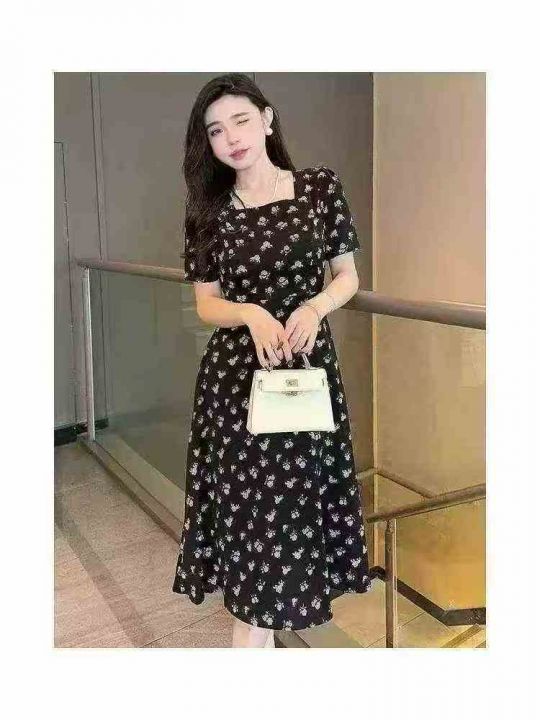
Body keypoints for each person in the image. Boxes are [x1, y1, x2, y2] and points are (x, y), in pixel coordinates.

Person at [171, 73, 372, 648]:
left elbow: (347, 276)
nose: (231, 138)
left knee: (299, 508)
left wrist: (314, 306)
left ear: (267, 119)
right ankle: (252, 635)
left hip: (306, 376)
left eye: (240, 121)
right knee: (251, 522)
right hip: (237, 383)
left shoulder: (318, 188)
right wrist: (251, 314)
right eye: (216, 130)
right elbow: (206, 303)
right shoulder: (208, 209)